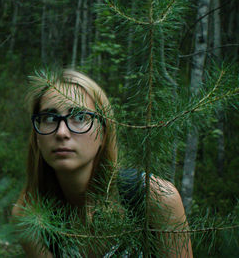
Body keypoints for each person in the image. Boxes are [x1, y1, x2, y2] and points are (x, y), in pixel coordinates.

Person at [12, 69, 193, 257]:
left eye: (80, 117)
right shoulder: (30, 216)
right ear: (37, 136)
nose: (62, 132)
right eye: (49, 118)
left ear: (103, 134)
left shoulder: (155, 198)